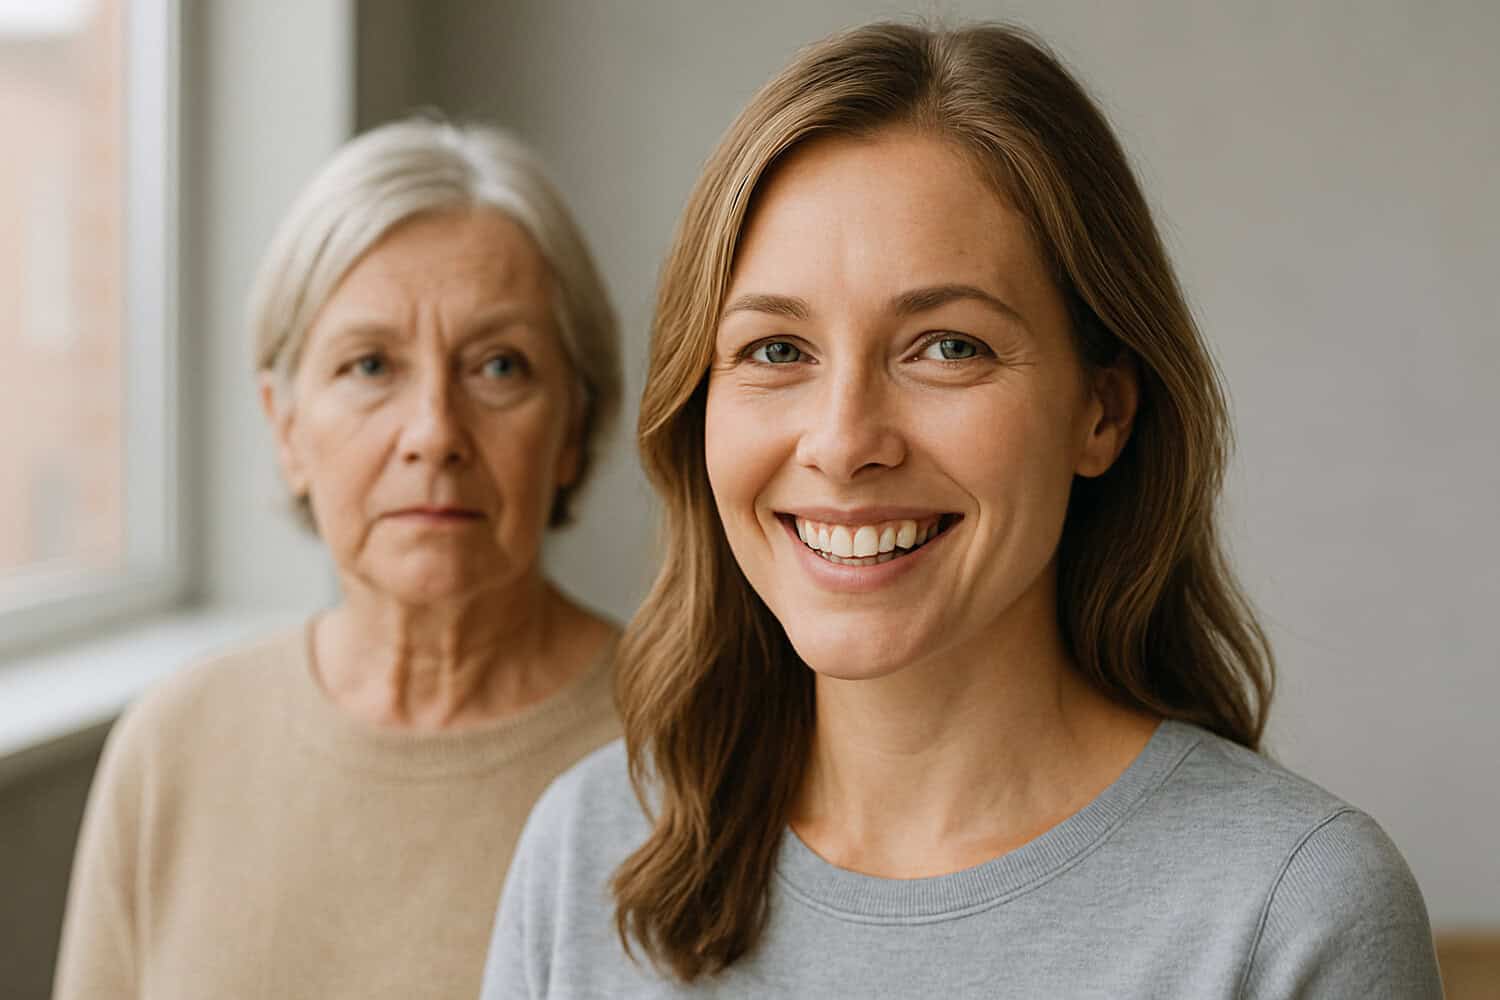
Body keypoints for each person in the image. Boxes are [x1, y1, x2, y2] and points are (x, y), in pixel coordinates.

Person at [481, 23, 1442, 999]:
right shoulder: (588, 850)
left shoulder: (1291, 908)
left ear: (1102, 412)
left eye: (948, 346)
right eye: (777, 350)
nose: (843, 441)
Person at [53, 118, 623, 999]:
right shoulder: (174, 747)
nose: (433, 432)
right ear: (286, 427)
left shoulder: (698, 743)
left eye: (500, 366)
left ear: (573, 431)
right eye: (369, 366)